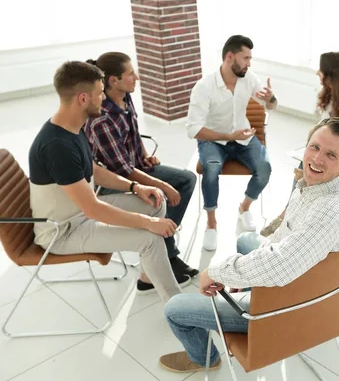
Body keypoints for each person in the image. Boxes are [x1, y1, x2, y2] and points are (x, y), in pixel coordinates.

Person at [158, 117, 339, 374]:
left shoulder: (328, 210)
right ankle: (246, 280)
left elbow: (281, 266)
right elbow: (283, 238)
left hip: (289, 305)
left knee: (174, 309)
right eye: (315, 147)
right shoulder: (313, 186)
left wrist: (218, 271)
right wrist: (245, 273)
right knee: (247, 241)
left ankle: (204, 359)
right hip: (305, 281)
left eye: (331, 155)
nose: (317, 159)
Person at [28, 61, 185, 302]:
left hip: (79, 214)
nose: (104, 98)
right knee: (150, 238)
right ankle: (180, 309)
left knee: (155, 200)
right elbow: (92, 208)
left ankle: (149, 276)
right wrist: (148, 223)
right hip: (64, 231)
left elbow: (93, 170)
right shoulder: (56, 146)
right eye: (100, 93)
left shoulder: (73, 126)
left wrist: (136, 186)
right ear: (83, 98)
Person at [84, 52, 199, 289]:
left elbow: (133, 132)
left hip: (134, 166)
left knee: (185, 180)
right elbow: (123, 171)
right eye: (130, 74)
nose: (136, 77)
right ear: (113, 81)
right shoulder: (102, 119)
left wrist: (145, 154)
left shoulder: (125, 96)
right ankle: (163, 257)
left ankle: (163, 253)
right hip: (112, 181)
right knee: (170, 190)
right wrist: (163, 185)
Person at [185, 35, 277, 251]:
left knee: (265, 168)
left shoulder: (249, 77)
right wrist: (229, 135)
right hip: (214, 140)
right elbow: (193, 129)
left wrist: (271, 99)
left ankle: (244, 207)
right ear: (229, 57)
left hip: (243, 137)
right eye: (245, 58)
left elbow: (270, 107)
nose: (249, 64)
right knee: (211, 168)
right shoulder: (204, 86)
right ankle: (211, 223)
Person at [260, 51, 339, 236]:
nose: (317, 73)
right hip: (328, 153)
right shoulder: (327, 94)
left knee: (305, 167)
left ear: (330, 72)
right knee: (304, 163)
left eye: (321, 69)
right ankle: (287, 215)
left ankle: (285, 217)